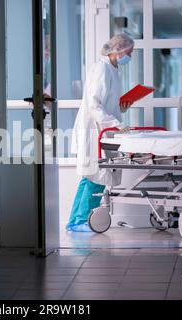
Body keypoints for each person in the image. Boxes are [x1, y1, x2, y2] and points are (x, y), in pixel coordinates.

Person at [67, 33, 135, 232]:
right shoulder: (101, 68)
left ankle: (76, 220)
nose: (130, 55)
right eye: (129, 52)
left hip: (105, 128)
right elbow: (94, 105)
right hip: (95, 129)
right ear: (118, 50)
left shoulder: (113, 70)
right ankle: (81, 221)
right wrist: (115, 123)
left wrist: (121, 107)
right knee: (96, 176)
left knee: (92, 176)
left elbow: (107, 103)